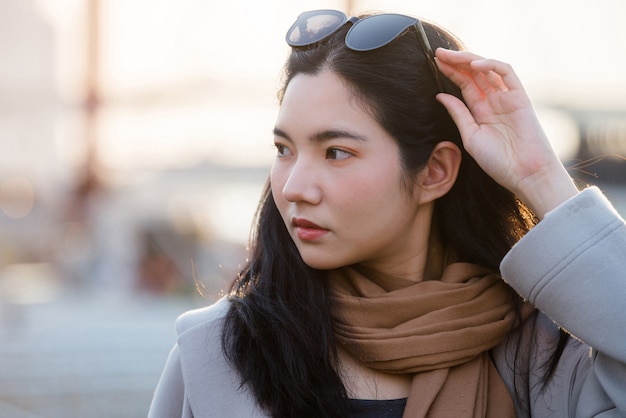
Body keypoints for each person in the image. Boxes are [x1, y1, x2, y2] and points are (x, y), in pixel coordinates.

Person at [148, 9, 626, 418]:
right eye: (283, 148)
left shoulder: (545, 362)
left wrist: (540, 176)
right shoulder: (215, 356)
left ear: (435, 171)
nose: (293, 188)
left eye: (336, 152)